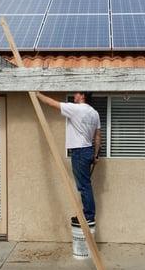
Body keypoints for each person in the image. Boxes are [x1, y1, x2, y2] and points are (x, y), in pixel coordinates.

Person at [36, 91, 101, 225]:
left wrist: (37, 94)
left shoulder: (76, 109)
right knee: (85, 185)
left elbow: (51, 103)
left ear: (83, 96)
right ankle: (87, 214)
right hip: (88, 150)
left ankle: (88, 215)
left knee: (83, 186)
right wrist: (95, 155)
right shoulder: (95, 113)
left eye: (77, 94)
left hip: (79, 152)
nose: (74, 96)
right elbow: (98, 136)